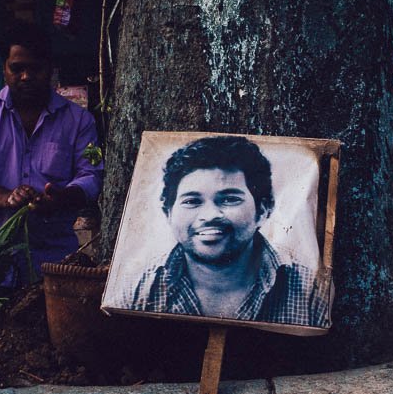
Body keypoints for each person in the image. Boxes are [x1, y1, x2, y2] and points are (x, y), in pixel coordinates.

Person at [120, 135, 330, 328]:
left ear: (263, 209)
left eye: (230, 199)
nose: (210, 215)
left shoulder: (310, 293)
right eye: (192, 201)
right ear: (168, 212)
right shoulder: (137, 291)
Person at [0, 21, 103, 277]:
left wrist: (60, 198)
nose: (26, 77)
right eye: (17, 68)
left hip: (56, 264)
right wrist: (6, 197)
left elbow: (91, 177)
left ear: (50, 68)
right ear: (4, 69)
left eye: (35, 68)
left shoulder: (78, 120)